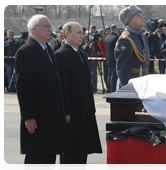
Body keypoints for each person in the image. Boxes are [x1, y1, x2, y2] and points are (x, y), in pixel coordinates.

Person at [14, 14, 71, 170]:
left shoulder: (48, 50)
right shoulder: (26, 51)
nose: (49, 29)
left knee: (48, 161)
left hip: (51, 119)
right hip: (37, 119)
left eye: (50, 26)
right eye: (45, 26)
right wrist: (29, 116)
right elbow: (24, 88)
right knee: (36, 161)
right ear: (34, 30)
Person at [55, 21, 102, 170]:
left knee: (82, 151)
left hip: (84, 111)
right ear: (67, 34)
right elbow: (61, 87)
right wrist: (66, 112)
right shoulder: (61, 55)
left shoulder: (81, 54)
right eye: (78, 33)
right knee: (70, 153)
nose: (82, 36)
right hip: (72, 113)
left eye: (82, 33)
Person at [115, 5, 150, 88]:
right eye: (138, 15)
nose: (142, 17)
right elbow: (123, 70)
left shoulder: (142, 37)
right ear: (129, 20)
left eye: (141, 15)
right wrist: (128, 89)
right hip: (131, 85)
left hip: (142, 83)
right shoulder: (125, 39)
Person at [105, 24, 119, 92]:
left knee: (109, 75)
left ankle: (109, 88)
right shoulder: (115, 38)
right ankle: (113, 89)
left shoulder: (107, 37)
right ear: (116, 30)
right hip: (114, 59)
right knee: (114, 76)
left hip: (108, 59)